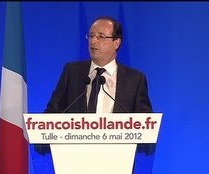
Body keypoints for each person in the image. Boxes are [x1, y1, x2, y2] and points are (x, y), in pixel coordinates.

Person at [43, 16, 155, 156]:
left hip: (118, 161)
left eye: (101, 36)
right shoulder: (71, 72)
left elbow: (145, 125)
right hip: (74, 159)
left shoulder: (134, 79)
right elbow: (51, 115)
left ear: (117, 42)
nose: (93, 41)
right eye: (91, 36)